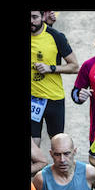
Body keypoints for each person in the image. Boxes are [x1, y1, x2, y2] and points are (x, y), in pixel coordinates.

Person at [31, 10, 79, 145]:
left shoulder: (56, 36)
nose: (31, 21)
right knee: (33, 145)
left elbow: (75, 66)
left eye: (35, 17)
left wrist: (51, 68)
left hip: (54, 98)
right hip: (32, 99)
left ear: (42, 16)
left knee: (58, 144)